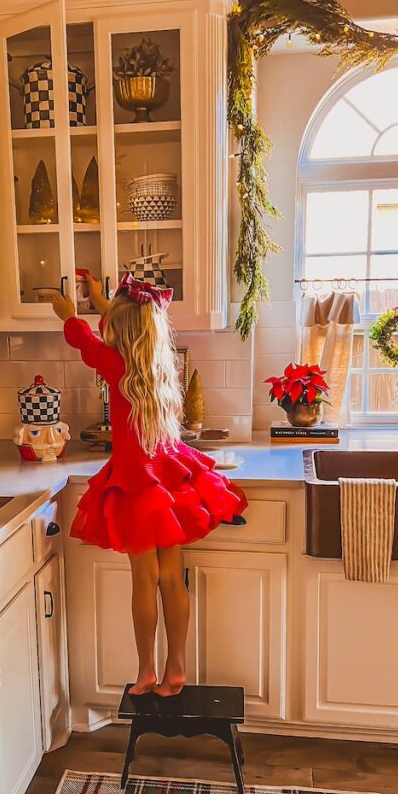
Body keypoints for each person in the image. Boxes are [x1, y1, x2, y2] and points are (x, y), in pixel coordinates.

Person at [51, 273, 246, 697]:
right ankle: (176, 668)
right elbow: (128, 322)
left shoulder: (114, 364)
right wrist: (103, 301)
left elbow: (85, 341)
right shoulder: (161, 366)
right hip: (170, 482)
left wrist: (69, 314)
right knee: (172, 579)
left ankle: (146, 671)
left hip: (137, 486)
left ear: (119, 334)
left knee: (145, 578)